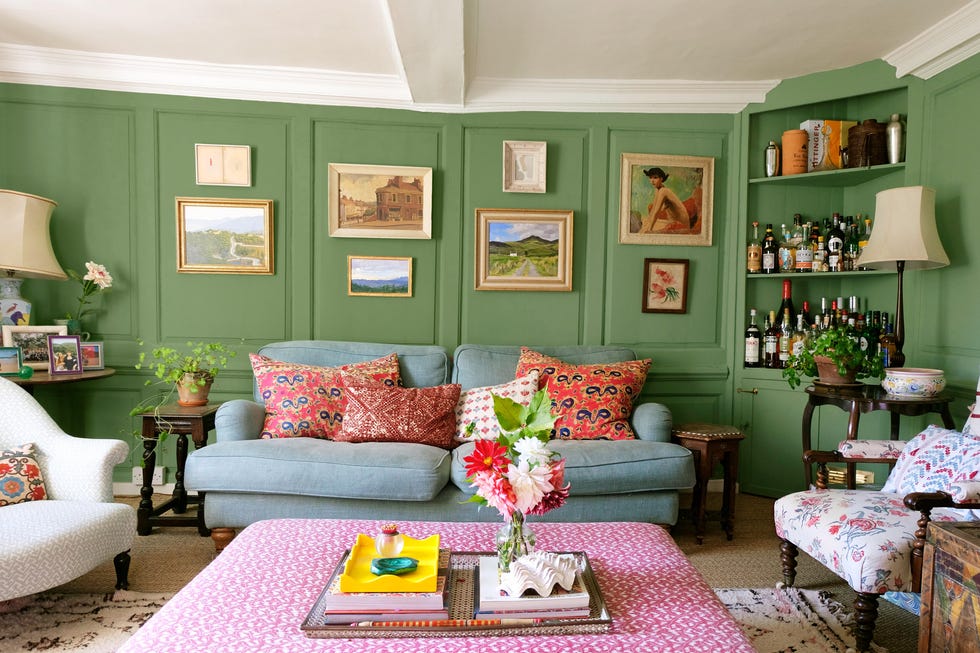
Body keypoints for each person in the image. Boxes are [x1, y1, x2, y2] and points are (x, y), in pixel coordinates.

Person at [640, 167, 690, 233]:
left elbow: (656, 212)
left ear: (661, 179)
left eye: (655, 178)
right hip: (673, 222)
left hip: (680, 224)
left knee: (646, 229)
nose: (652, 180)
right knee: (645, 222)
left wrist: (649, 229)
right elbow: (654, 208)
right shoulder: (658, 190)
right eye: (650, 177)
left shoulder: (663, 191)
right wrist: (648, 222)